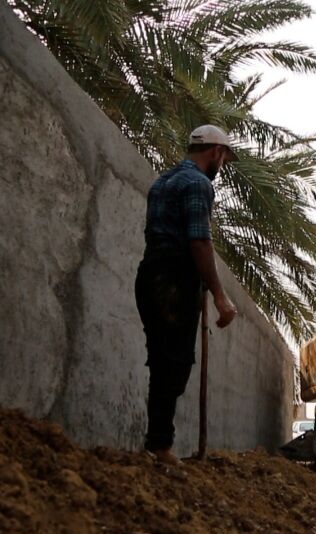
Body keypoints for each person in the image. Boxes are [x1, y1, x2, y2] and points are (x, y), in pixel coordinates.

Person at [135, 124, 239, 464]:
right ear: (216, 152)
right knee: (175, 364)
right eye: (223, 157)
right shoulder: (198, 184)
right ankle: (160, 446)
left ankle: (157, 444)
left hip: (150, 275)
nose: (221, 165)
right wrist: (219, 295)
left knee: (162, 360)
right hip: (174, 281)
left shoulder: (162, 182)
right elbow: (198, 240)